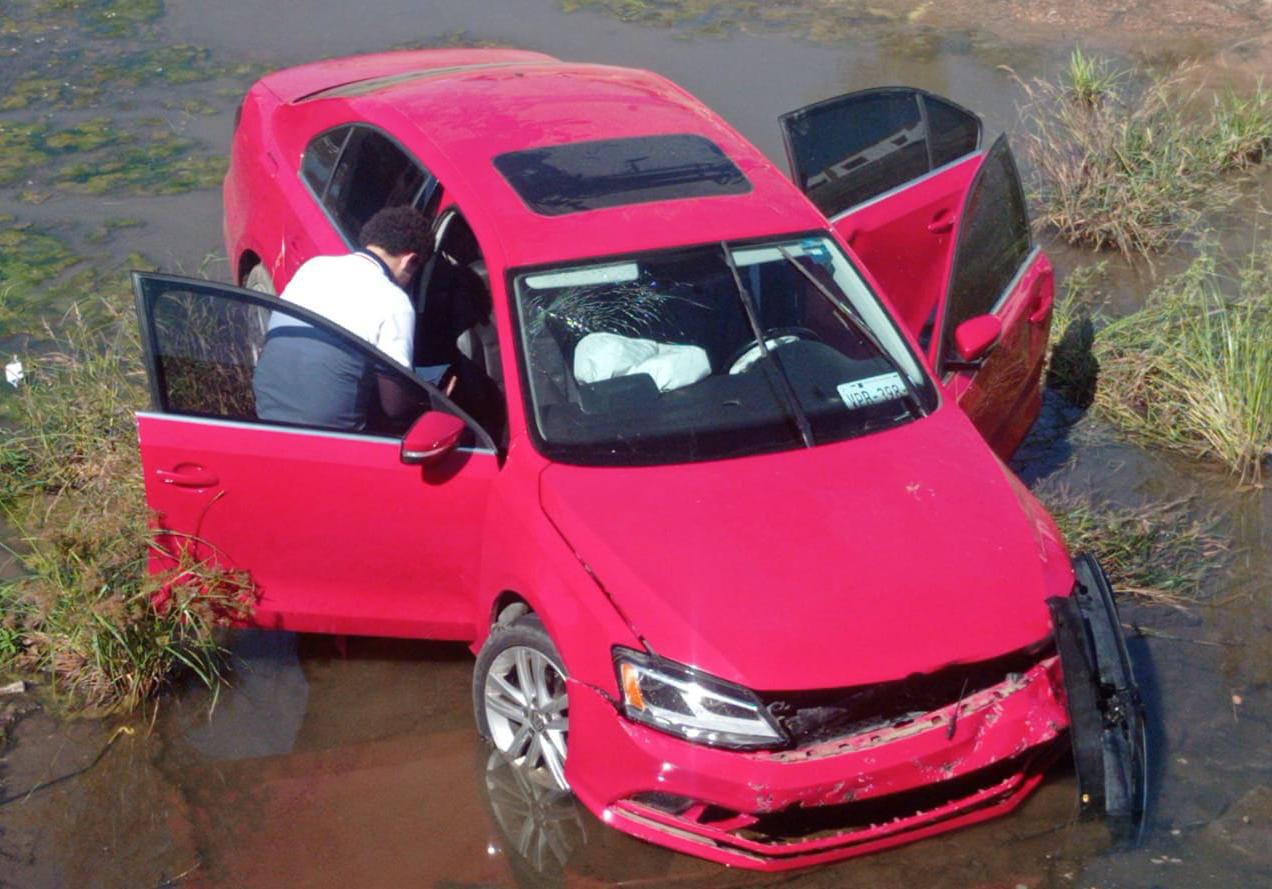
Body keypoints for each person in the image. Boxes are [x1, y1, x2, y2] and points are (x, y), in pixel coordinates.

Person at [253, 206, 434, 431]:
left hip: (266, 417)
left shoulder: (313, 267)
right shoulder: (395, 301)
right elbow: (394, 407)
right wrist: (432, 399)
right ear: (410, 260)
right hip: (332, 439)